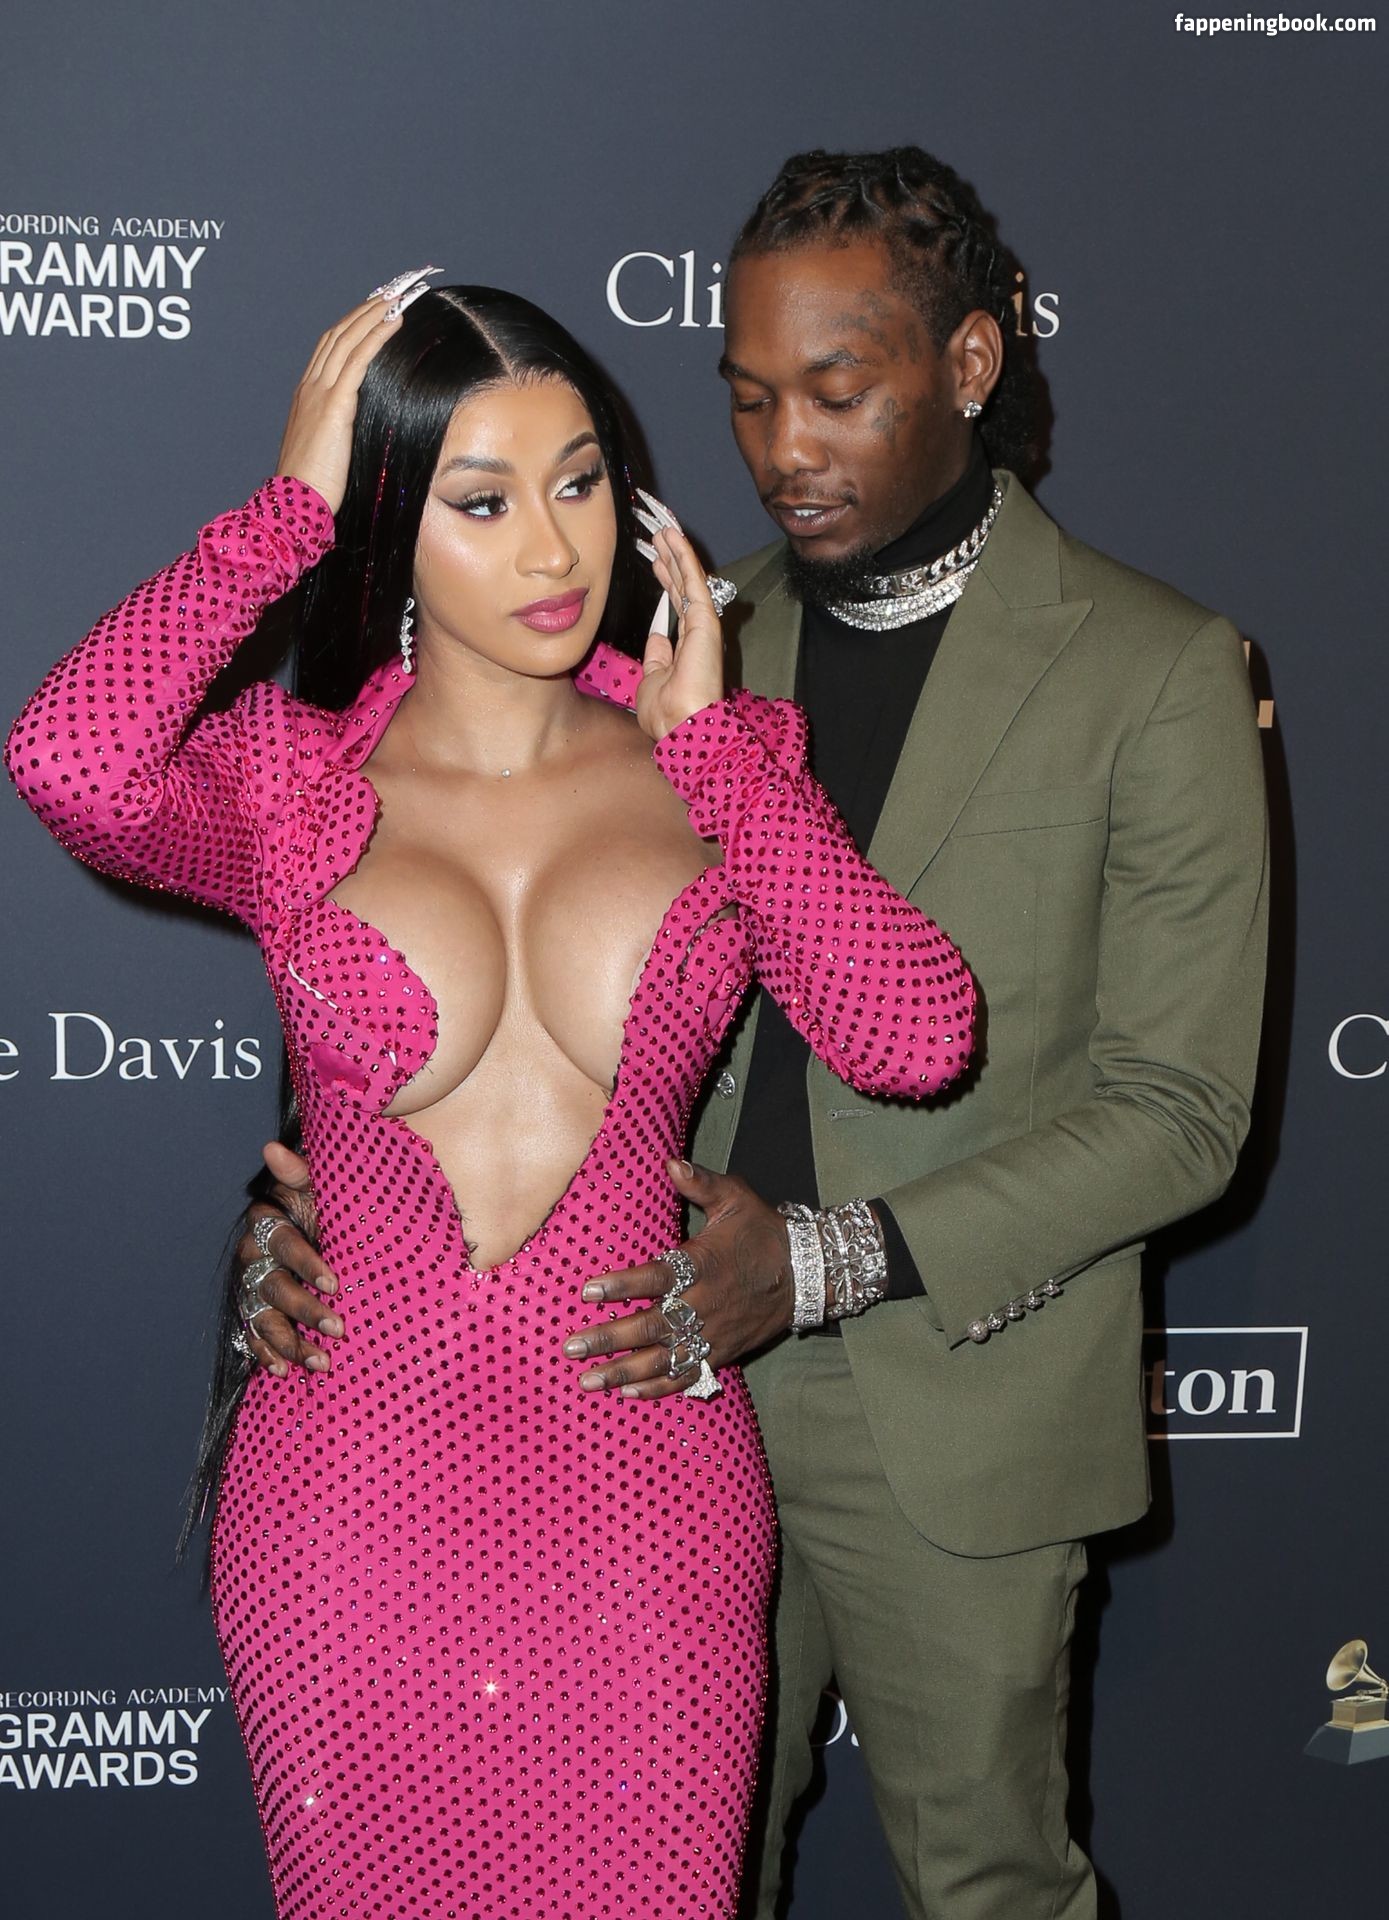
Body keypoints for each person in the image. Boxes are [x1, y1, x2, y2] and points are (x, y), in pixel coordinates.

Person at [240, 147, 1269, 1919]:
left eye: (836, 393)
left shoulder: (1150, 667)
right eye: (746, 397)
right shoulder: (675, 633)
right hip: (621, 1389)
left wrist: (825, 1258)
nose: (786, 447)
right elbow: (409, 939)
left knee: (987, 1885)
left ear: (967, 365)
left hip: (947, 1394)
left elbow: (1181, 1111)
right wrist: (323, 1223)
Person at [5, 272, 975, 1918]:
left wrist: (719, 758)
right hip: (348, 1509)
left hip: (642, 1511)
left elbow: (913, 1037)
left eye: (581, 481)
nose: (552, 551)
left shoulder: (718, 767)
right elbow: (72, 763)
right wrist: (278, 519)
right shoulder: (291, 781)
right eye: (482, 500)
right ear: (388, 519)